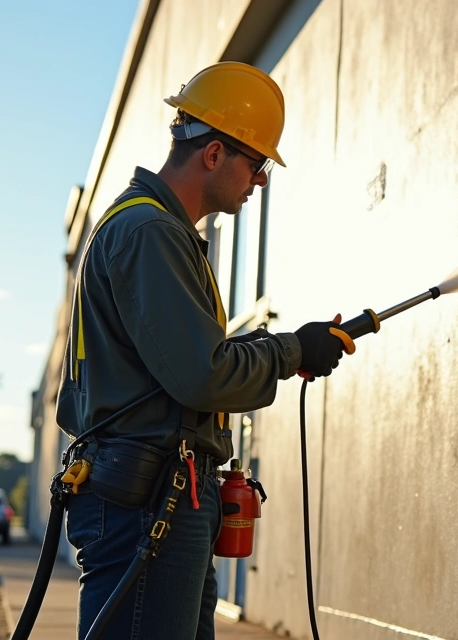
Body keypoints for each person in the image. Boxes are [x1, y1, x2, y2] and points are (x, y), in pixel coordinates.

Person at [55, 62, 350, 639]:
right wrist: (290, 352)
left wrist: (288, 348)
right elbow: (202, 375)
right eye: (257, 162)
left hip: (159, 494)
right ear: (213, 154)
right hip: (150, 501)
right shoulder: (151, 233)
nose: (261, 179)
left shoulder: (157, 230)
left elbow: (181, 364)